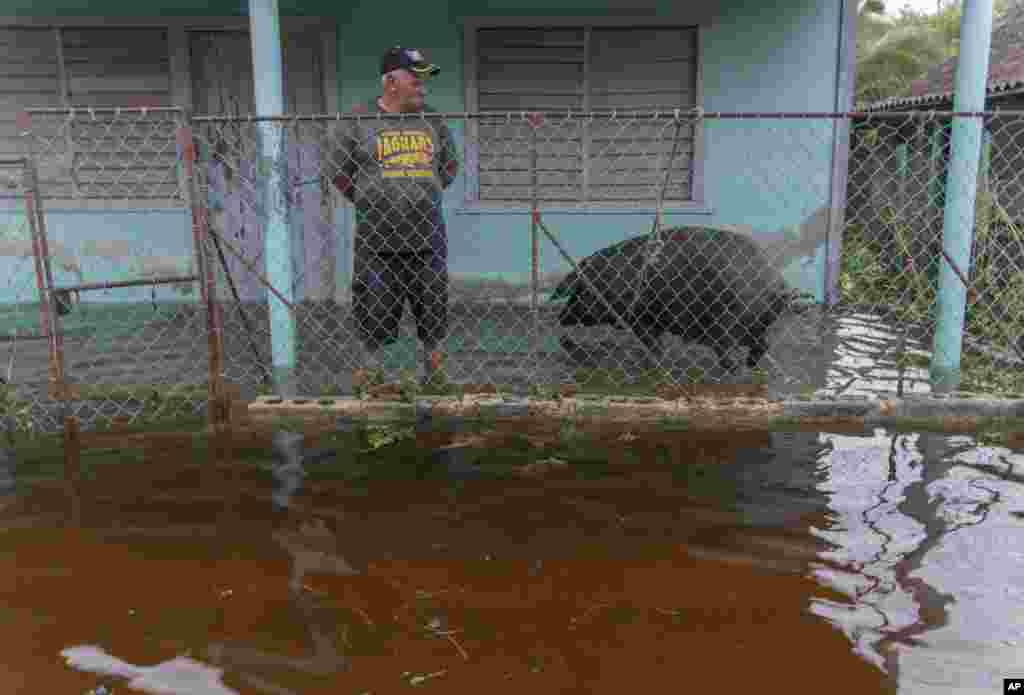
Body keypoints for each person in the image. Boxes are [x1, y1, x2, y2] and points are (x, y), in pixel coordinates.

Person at [330, 46, 459, 386]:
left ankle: (434, 369)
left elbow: (449, 168)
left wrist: (419, 195)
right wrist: (374, 201)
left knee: (432, 303)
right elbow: (340, 173)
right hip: (377, 237)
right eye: (415, 80)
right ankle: (372, 371)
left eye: (423, 81)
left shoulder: (433, 120)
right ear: (390, 81)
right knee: (374, 305)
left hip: (427, 233)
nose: (422, 87)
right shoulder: (358, 121)